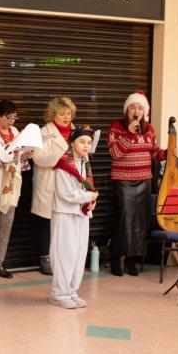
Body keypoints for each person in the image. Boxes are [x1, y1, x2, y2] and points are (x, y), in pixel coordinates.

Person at [107, 92, 166, 276]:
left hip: (144, 180)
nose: (136, 111)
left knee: (140, 222)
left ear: (145, 112)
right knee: (123, 221)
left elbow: (154, 153)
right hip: (123, 180)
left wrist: (166, 153)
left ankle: (132, 261)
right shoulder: (117, 127)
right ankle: (116, 258)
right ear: (127, 110)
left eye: (140, 108)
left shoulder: (149, 129)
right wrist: (129, 134)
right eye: (133, 107)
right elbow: (115, 153)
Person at [0, 100, 32, 279]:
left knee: (6, 225)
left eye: (14, 118)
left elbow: (18, 159)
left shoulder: (16, 132)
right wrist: (8, 154)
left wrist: (24, 156)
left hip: (11, 186)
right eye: (9, 117)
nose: (12, 121)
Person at [49, 126, 98, 309]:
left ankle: (71, 290)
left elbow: (88, 187)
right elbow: (65, 194)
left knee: (78, 254)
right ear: (72, 142)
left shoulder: (85, 163)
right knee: (65, 253)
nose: (86, 146)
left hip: (81, 213)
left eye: (89, 142)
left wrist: (91, 201)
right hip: (65, 213)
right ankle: (58, 293)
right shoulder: (63, 164)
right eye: (82, 142)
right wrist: (88, 197)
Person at [31, 96, 77, 276]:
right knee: (45, 222)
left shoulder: (76, 131)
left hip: (69, 184)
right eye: (61, 114)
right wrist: (63, 155)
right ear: (52, 115)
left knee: (65, 222)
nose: (66, 117)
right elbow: (38, 157)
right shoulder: (44, 132)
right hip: (48, 183)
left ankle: (62, 257)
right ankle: (45, 258)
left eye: (68, 113)